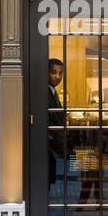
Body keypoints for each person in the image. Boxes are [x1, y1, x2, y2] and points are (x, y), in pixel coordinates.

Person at [48, 58, 64, 187]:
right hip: (49, 148)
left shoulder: (53, 93)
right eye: (54, 72)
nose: (57, 76)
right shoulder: (43, 93)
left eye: (60, 73)